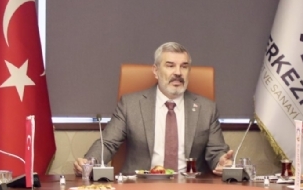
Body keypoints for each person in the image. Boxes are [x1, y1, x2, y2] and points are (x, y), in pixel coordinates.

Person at [75, 42, 233, 175]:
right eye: (170, 66)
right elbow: (108, 143)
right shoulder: (130, 104)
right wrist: (90, 163)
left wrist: (221, 162)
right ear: (156, 71)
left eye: (184, 67)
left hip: (190, 188)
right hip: (140, 187)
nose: (178, 72)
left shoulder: (206, 108)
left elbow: (216, 151)